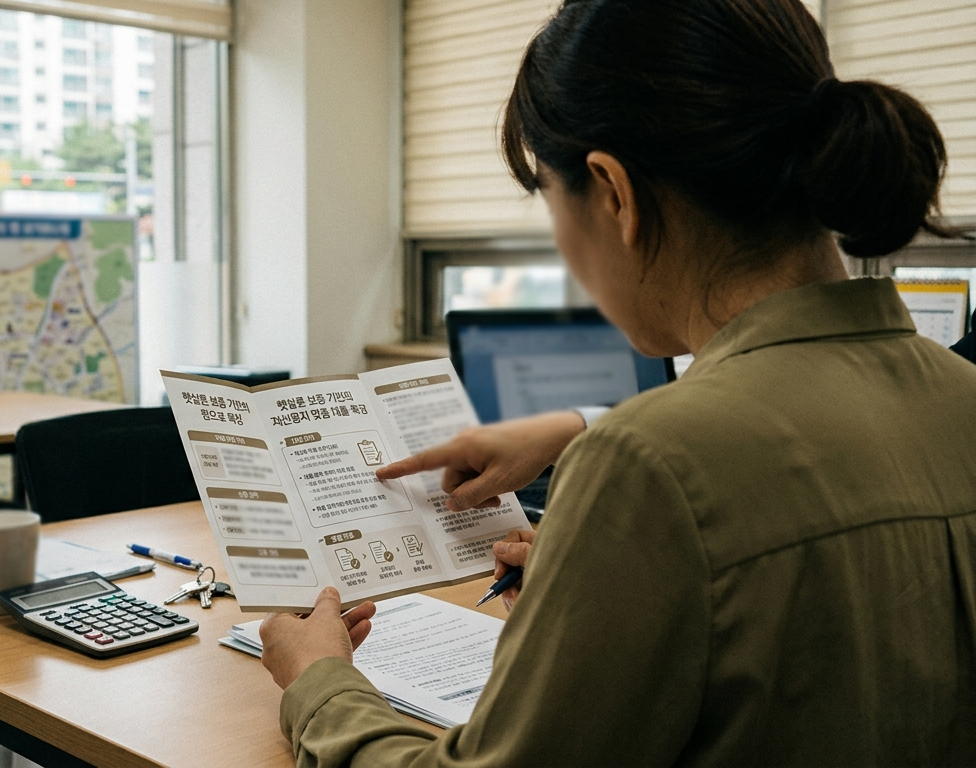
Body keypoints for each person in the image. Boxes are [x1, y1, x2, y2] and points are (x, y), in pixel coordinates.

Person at [257, 0, 976, 764]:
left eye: (550, 201)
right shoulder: (960, 396)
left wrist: (320, 680)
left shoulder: (650, 462)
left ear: (613, 193)